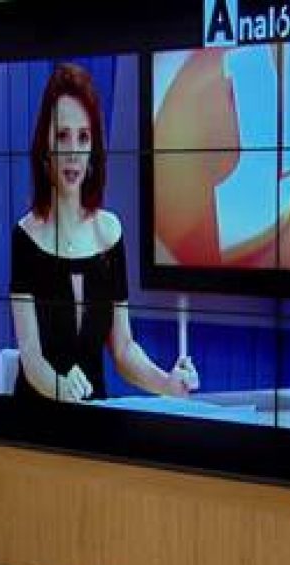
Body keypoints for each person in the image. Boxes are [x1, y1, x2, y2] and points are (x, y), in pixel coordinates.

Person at [10, 63, 199, 402]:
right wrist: (60, 388)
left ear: (93, 149)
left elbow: (123, 350)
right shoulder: (25, 237)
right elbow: (31, 357)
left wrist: (167, 385)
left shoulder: (109, 234)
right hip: (35, 419)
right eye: (62, 136)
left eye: (83, 137)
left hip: (97, 419)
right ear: (45, 148)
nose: (73, 152)